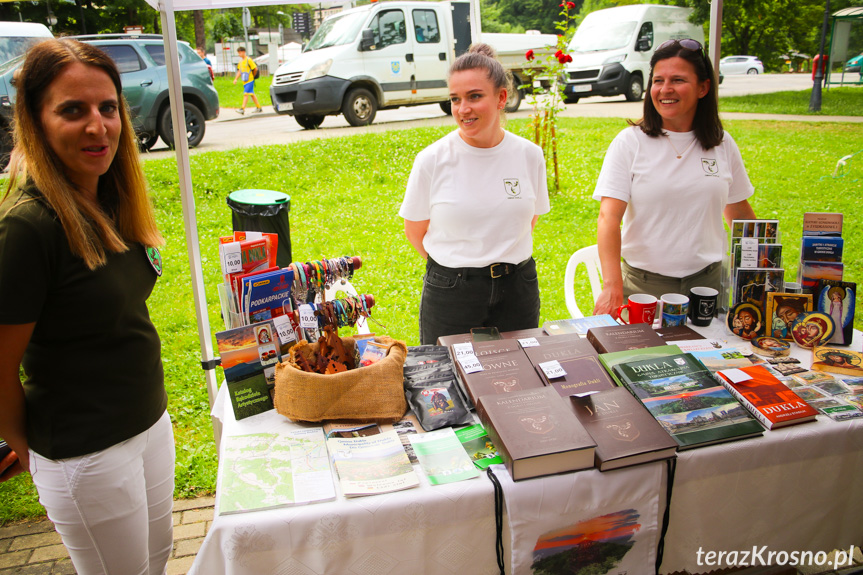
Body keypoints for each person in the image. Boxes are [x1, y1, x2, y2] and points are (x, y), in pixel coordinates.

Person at [0, 39, 174, 575]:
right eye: (72, 110)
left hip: (149, 422)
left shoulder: (112, 197)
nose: (98, 126)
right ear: (35, 120)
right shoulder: (27, 228)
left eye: (107, 107)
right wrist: (33, 454)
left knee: (158, 559)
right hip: (86, 452)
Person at [399, 43, 550, 345]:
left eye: (474, 96)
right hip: (451, 292)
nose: (463, 109)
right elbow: (415, 230)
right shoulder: (432, 160)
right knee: (447, 379)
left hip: (517, 287)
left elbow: (527, 220)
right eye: (455, 99)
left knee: (517, 376)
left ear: (501, 97)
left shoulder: (529, 155)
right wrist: (461, 269)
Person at [592, 39, 756, 315]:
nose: (665, 89)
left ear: (703, 87)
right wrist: (612, 285)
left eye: (678, 80)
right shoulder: (630, 142)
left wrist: (762, 268)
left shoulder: (722, 144)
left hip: (709, 287)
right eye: (658, 80)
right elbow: (609, 218)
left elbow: (739, 212)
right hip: (643, 290)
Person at [232, 46, 262, 114]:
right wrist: (236, 79)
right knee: (252, 94)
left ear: (244, 52)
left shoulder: (249, 60)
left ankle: (242, 109)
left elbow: (255, 68)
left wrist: (253, 76)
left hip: (250, 80)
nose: (239, 54)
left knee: (246, 94)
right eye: (238, 53)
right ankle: (258, 107)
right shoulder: (240, 62)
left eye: (240, 52)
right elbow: (239, 71)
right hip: (244, 81)